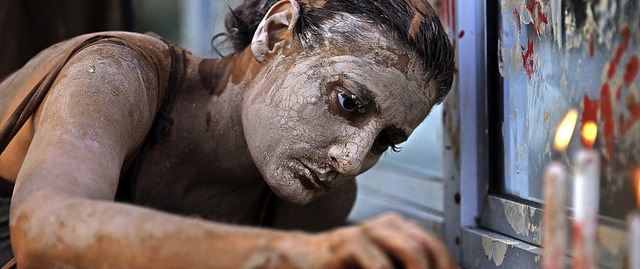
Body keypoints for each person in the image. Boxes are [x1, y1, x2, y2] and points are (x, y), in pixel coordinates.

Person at [0, 0, 456, 268]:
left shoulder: (319, 201)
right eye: (346, 103)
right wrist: (297, 254)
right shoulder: (119, 75)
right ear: (275, 34)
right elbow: (41, 229)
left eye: (384, 141)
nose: (351, 160)